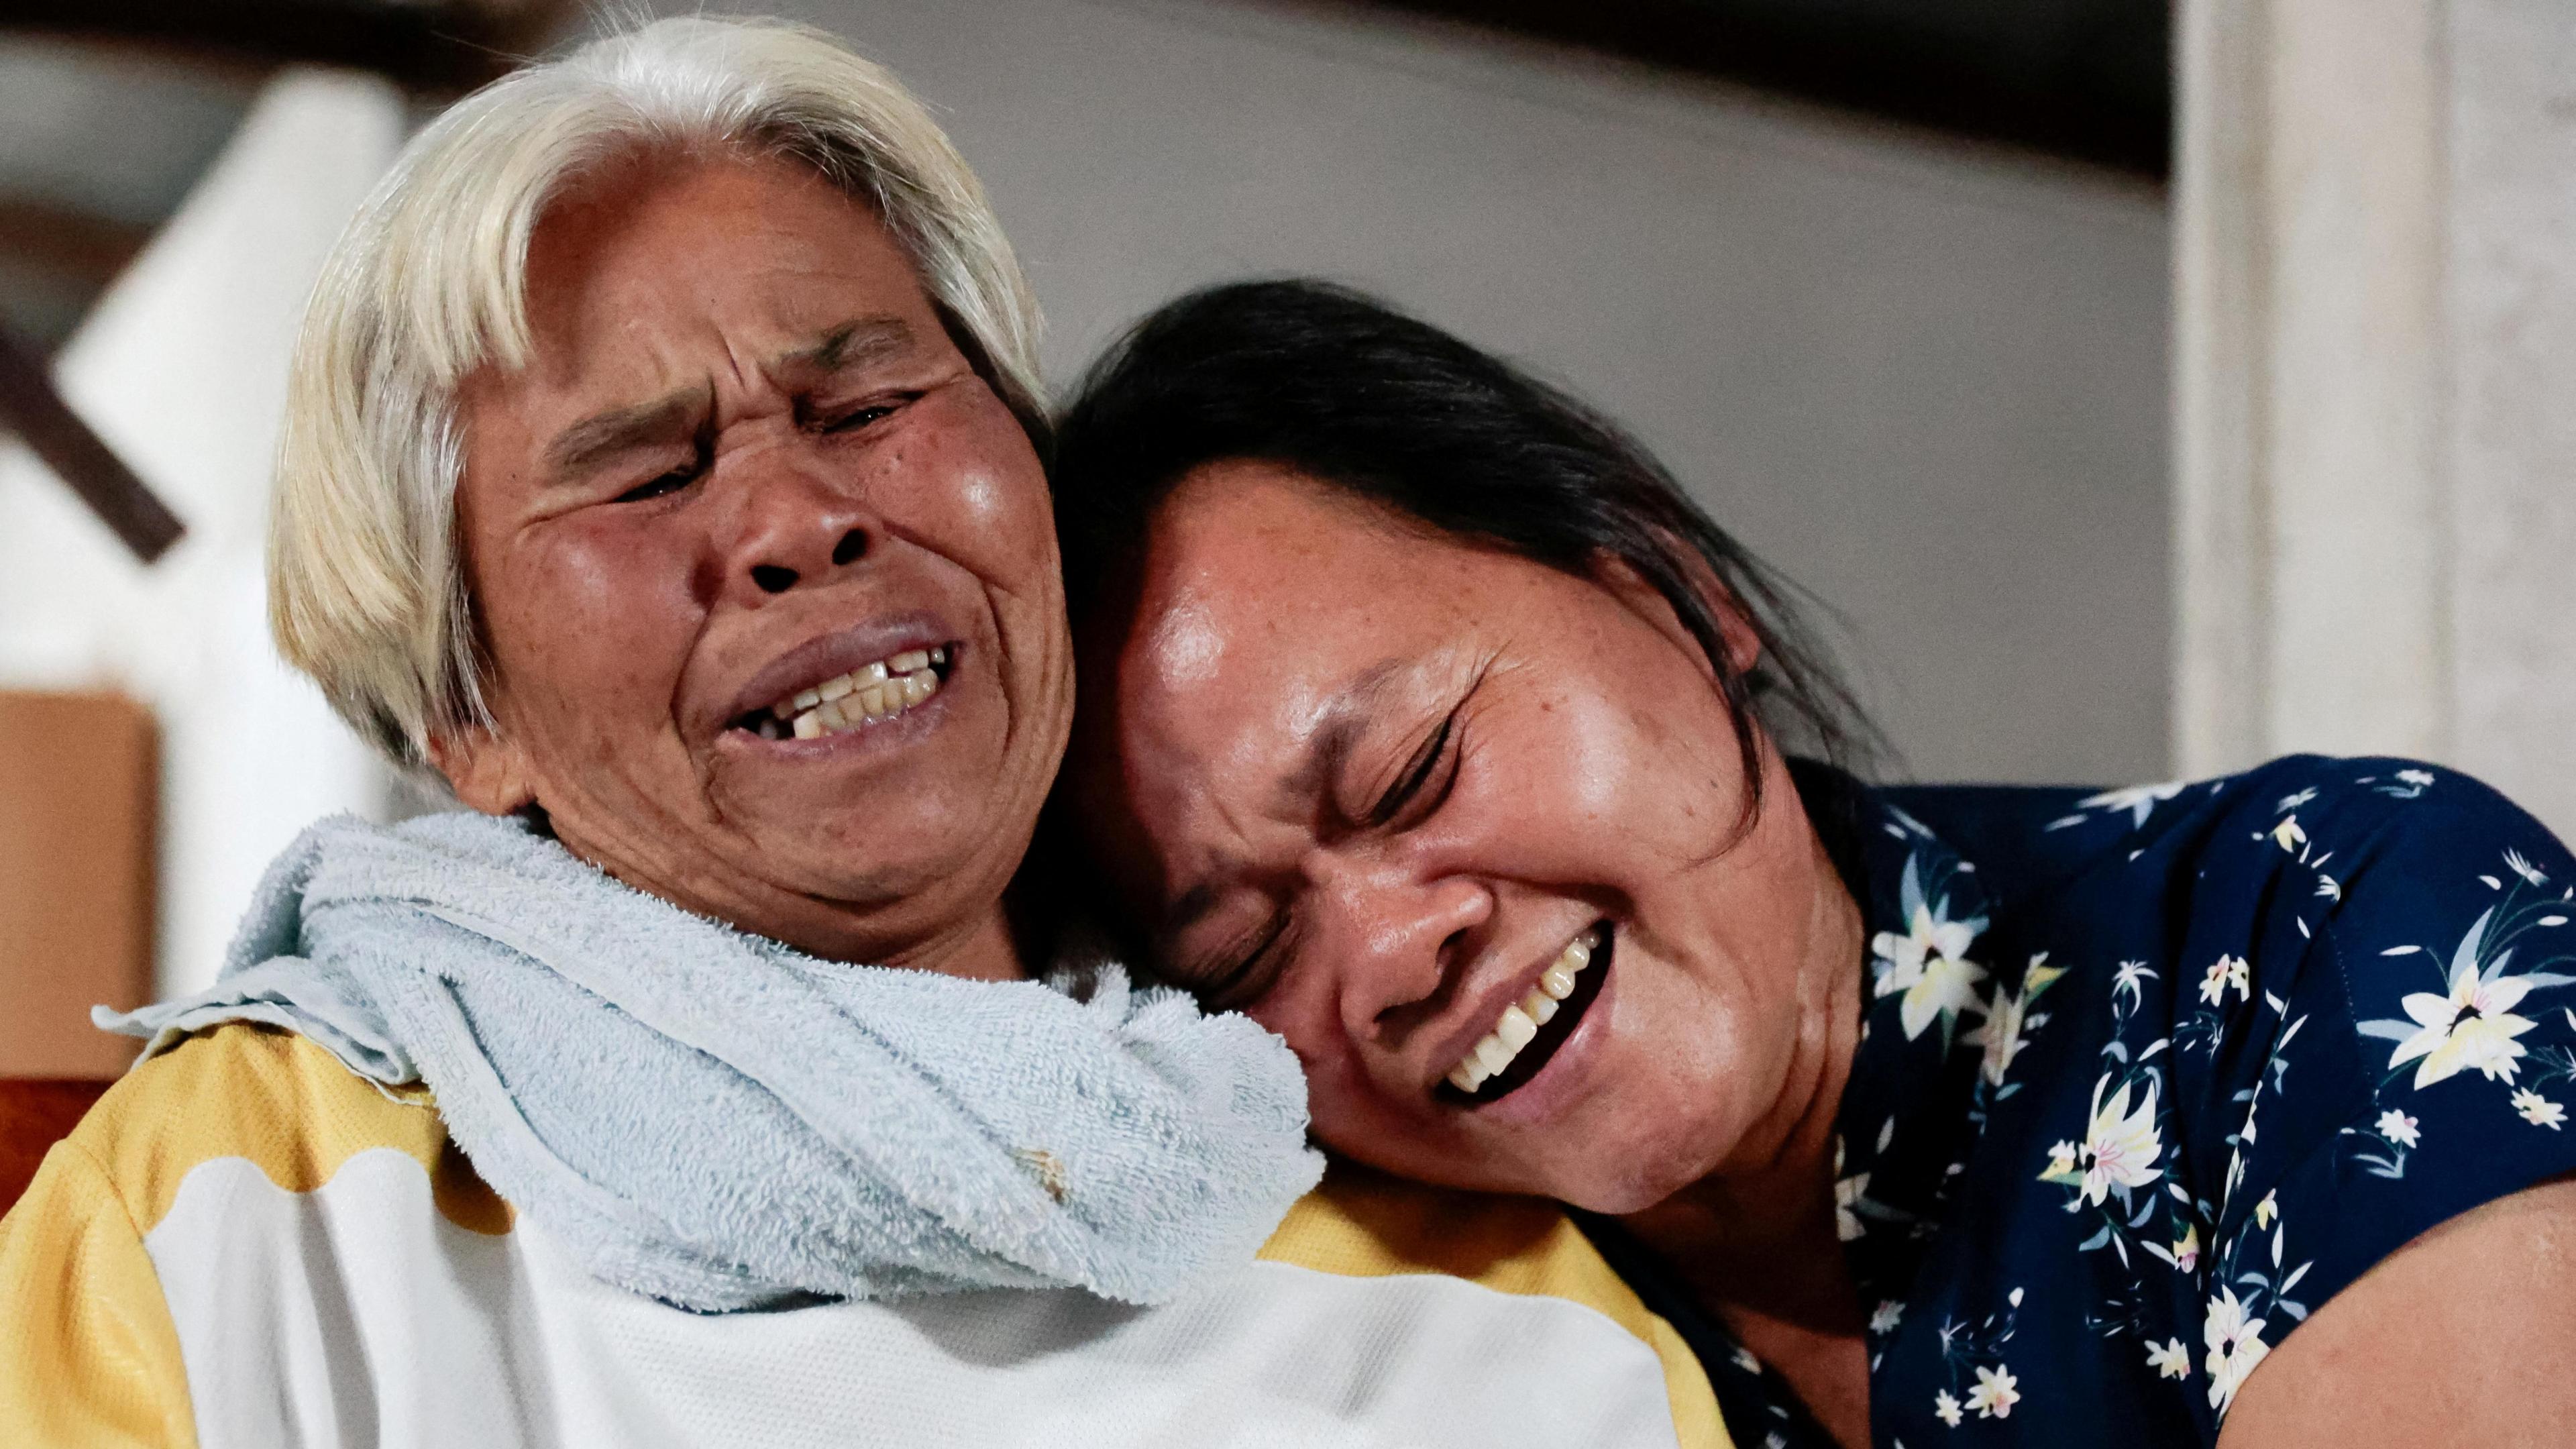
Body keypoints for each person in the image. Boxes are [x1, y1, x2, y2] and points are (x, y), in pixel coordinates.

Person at [0, 25, 1730, 1447]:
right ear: (467, 716)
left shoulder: (1507, 1328)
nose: (796, 517)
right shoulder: (237, 1222)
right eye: (646, 471)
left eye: (871, 402)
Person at [1049, 278, 2576, 1448]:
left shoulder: (2330, 932)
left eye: (1412, 771)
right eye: (1246, 954)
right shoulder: (1329, 1324)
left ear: (1673, 587)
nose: (1391, 954)